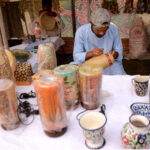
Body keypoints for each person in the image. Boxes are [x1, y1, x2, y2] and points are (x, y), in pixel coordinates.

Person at [72, 8, 126, 75]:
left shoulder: (113, 29)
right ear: (91, 23)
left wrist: (115, 54)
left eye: (105, 30)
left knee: (119, 74)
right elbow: (76, 56)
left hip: (108, 63)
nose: (102, 33)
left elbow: (119, 51)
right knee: (73, 69)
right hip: (89, 63)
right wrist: (91, 53)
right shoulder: (81, 32)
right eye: (99, 30)